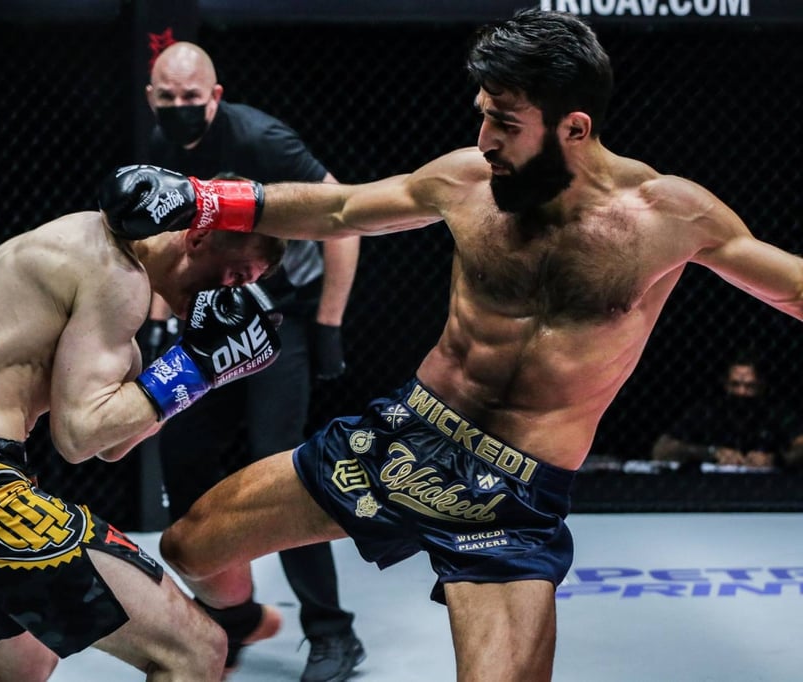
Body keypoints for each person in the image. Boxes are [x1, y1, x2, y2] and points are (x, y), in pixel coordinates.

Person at [98, 9, 803, 681]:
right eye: (484, 113)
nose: (487, 137)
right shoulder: (469, 181)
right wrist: (205, 199)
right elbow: (342, 209)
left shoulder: (670, 215)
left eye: (505, 121)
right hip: (409, 433)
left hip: (515, 491)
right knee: (191, 544)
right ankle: (241, 624)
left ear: (575, 128)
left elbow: (792, 289)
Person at [0, 206, 287, 681]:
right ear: (197, 239)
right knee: (196, 650)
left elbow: (112, 445)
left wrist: (205, 373)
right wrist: (197, 365)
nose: (228, 293)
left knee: (24, 666)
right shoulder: (116, 271)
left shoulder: (82, 254)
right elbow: (78, 437)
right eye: (234, 274)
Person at [139, 41, 365, 681]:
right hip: (203, 316)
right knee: (181, 459)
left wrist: (327, 325)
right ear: (152, 97)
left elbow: (341, 218)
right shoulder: (158, 150)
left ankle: (331, 631)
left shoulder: (263, 140)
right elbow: (162, 249)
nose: (181, 107)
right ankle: (230, 621)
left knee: (278, 467)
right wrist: (160, 326)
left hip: (280, 315)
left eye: (192, 96)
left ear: (215, 96)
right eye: (169, 97)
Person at [652, 354, 803, 469]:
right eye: (735, 384)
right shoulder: (708, 410)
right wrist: (711, 453)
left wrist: (775, 459)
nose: (741, 392)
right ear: (725, 384)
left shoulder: (775, 411)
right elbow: (662, 449)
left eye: (749, 386)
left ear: (761, 386)